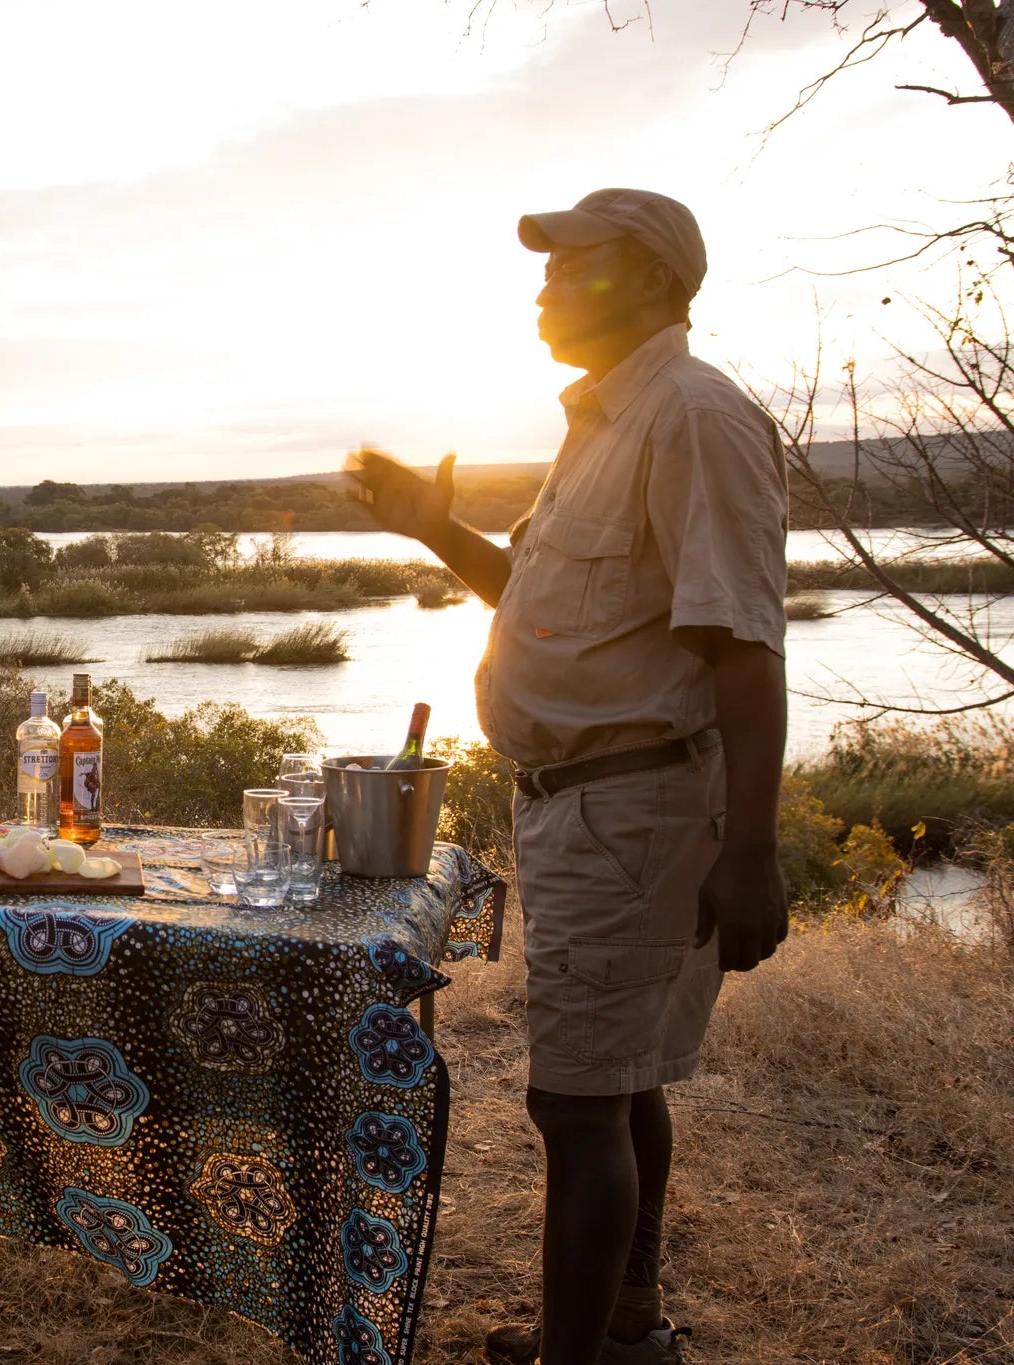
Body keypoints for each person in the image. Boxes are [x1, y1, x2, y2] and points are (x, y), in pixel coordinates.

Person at [348, 189, 790, 1365]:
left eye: (571, 266)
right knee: (620, 1080)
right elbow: (563, 621)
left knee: (575, 1103)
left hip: (633, 812)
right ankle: (621, 1332)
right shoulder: (604, 418)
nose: (542, 289)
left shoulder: (689, 417)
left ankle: (573, 1360)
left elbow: (742, 652)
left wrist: (750, 854)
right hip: (586, 812)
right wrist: (434, 532)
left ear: (649, 279)